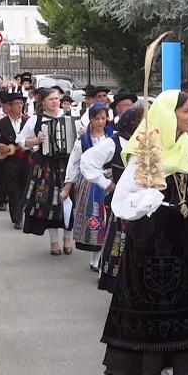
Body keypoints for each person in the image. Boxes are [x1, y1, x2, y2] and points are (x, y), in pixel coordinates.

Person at [100, 90, 188, 375]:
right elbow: (121, 202)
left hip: (185, 234)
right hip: (151, 238)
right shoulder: (145, 153)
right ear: (169, 116)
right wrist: (145, 202)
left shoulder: (186, 147)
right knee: (158, 305)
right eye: (185, 111)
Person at [81, 105, 143, 292]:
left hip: (144, 201)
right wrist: (108, 184)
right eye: (140, 122)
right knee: (118, 238)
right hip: (121, 202)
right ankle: (110, 276)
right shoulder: (114, 143)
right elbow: (87, 161)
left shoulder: (146, 143)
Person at [17, 87, 75, 254]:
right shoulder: (36, 119)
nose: (55, 102)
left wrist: (81, 133)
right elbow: (21, 140)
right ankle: (54, 243)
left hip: (67, 163)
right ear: (42, 102)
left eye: (57, 98)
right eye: (51, 99)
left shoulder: (70, 116)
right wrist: (36, 140)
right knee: (50, 205)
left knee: (70, 201)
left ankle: (67, 239)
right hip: (46, 165)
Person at [61, 104, 114, 270]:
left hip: (109, 183)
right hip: (90, 185)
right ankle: (95, 258)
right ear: (90, 119)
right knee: (96, 221)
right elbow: (74, 164)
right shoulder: (83, 141)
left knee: (109, 221)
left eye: (103, 118)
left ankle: (100, 258)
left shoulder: (113, 138)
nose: (100, 122)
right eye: (96, 118)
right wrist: (67, 187)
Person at [0, 92, 32, 228]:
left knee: (26, 188)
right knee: (13, 190)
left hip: (26, 160)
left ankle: (25, 213)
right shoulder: (1, 123)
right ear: (9, 106)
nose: (20, 106)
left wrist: (31, 146)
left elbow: (36, 138)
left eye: (21, 103)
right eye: (16, 104)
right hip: (9, 162)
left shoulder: (28, 121)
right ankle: (17, 218)